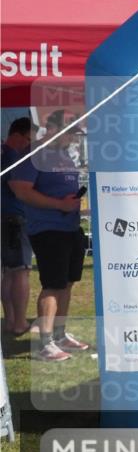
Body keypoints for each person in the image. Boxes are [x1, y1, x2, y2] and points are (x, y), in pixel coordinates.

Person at [8, 110, 90, 361]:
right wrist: (58, 204)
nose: (74, 139)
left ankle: (60, 334)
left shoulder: (64, 155)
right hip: (47, 228)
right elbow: (20, 190)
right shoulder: (34, 154)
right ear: (54, 129)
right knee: (53, 284)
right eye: (71, 133)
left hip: (70, 227)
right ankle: (45, 343)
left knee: (67, 282)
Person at [2, 117, 34, 336]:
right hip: (14, 218)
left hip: (5, 217)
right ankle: (20, 322)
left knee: (7, 273)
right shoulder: (13, 158)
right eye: (28, 139)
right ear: (18, 135)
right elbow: (18, 189)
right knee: (21, 271)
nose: (29, 145)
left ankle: (10, 320)